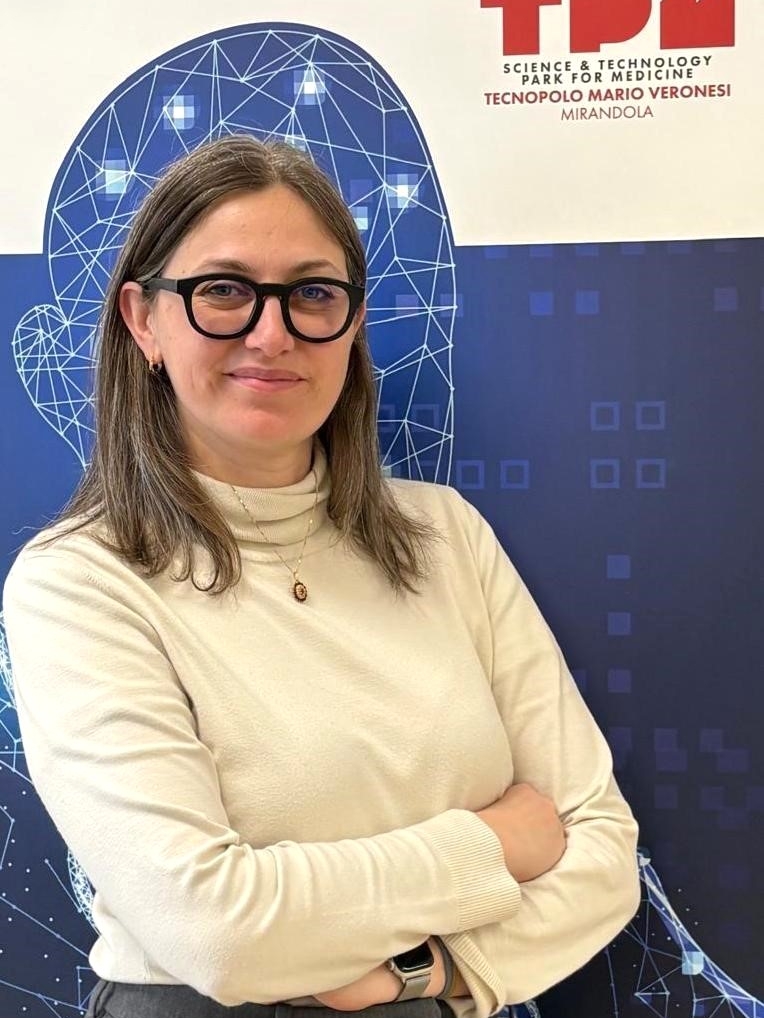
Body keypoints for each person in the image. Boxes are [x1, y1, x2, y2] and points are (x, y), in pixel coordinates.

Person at [3, 135, 639, 1018]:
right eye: (223, 290)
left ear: (352, 324)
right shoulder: (79, 584)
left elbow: (601, 851)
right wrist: (496, 843)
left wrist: (420, 973)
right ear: (144, 321)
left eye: (312, 293)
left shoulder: (447, 535)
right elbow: (218, 933)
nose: (273, 334)